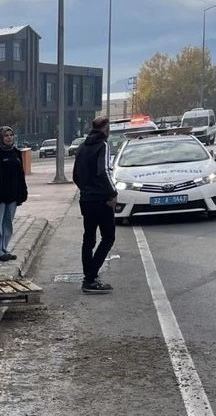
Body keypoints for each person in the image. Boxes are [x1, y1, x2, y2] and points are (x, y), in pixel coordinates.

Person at [72, 117, 118, 294]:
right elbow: (104, 171)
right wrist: (113, 193)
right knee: (108, 237)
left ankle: (88, 275)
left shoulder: (82, 147)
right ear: (106, 129)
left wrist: (85, 189)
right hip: (101, 199)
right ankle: (90, 277)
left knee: (88, 238)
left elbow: (76, 175)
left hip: (86, 199)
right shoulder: (103, 146)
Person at [0, 126, 28, 262]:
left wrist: (22, 192)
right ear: (1, 138)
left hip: (12, 195)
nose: (9, 138)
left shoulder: (15, 152)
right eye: (6, 136)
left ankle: (3, 248)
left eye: (11, 135)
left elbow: (20, 173)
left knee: (7, 223)